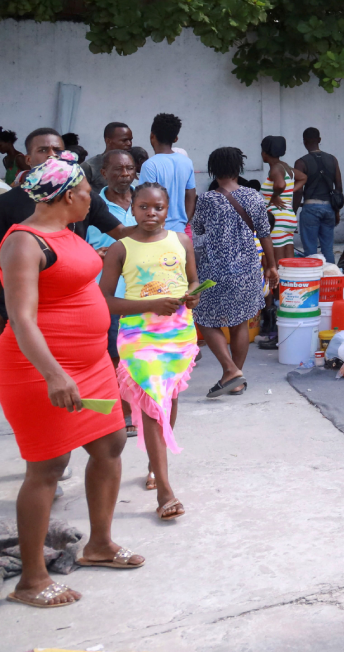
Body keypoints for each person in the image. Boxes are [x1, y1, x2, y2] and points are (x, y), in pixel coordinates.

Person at [0, 156, 144, 608]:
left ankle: (99, 544)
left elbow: (74, 280)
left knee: (111, 443)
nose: (92, 199)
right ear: (66, 196)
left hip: (92, 364)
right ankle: (32, 580)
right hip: (42, 368)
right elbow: (21, 318)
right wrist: (53, 374)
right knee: (48, 466)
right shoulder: (25, 242)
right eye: (87, 193)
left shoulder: (67, 233)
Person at [99, 183, 200, 521]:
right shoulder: (120, 248)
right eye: (143, 207)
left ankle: (157, 465)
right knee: (152, 402)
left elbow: (192, 280)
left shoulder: (181, 241)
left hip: (178, 334)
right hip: (138, 336)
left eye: (158, 208)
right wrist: (150, 304)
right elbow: (105, 301)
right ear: (133, 209)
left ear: (167, 209)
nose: (151, 214)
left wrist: (193, 296)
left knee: (167, 399)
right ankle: (165, 493)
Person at [0, 131, 129, 328]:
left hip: (77, 320)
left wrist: (163, 234)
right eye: (43, 150)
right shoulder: (9, 208)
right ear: (28, 159)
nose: (52, 155)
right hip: (35, 316)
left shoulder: (87, 199)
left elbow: (121, 232)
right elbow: (22, 320)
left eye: (58, 150)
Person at [192, 147, 278, 398]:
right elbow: (264, 233)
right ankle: (235, 375)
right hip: (248, 269)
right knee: (240, 323)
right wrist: (271, 266)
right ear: (238, 169)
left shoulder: (207, 199)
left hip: (213, 271)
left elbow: (197, 231)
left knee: (205, 320)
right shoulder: (253, 196)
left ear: (213, 170)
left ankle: (231, 372)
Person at [86, 150, 139, 433]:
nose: (125, 174)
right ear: (104, 173)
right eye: (118, 169)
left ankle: (137, 409)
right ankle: (123, 412)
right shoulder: (91, 205)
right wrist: (96, 253)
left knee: (137, 353)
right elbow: (78, 247)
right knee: (113, 355)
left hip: (142, 293)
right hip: (108, 295)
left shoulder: (144, 202)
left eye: (130, 168)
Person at [137, 113, 196, 233]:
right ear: (175, 139)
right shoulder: (186, 162)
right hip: (180, 231)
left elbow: (145, 198)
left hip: (156, 231)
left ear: (151, 136)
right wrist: (184, 221)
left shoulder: (150, 165)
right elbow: (191, 195)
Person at [293, 127, 342, 262]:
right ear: (319, 140)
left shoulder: (301, 162)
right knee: (328, 249)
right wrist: (336, 211)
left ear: (304, 141)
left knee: (310, 250)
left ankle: (313, 280)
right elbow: (338, 188)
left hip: (310, 209)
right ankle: (331, 278)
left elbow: (298, 191)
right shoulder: (333, 160)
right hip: (329, 208)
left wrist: (293, 212)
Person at [258, 136, 301, 261]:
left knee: (277, 263)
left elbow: (280, 185)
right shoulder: (286, 167)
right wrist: (289, 191)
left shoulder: (276, 168)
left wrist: (275, 196)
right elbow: (303, 177)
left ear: (265, 153)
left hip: (277, 219)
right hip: (289, 216)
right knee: (288, 264)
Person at [84, 122, 132, 190]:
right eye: (124, 140)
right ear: (108, 141)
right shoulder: (90, 166)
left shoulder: (132, 163)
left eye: (130, 140)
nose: (129, 143)